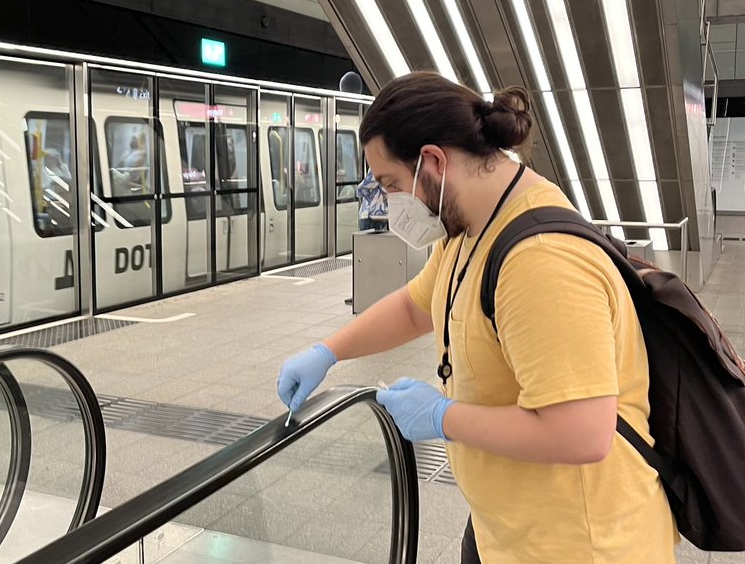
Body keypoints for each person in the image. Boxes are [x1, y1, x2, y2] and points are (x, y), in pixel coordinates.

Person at [276, 73, 675, 563]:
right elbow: (416, 305)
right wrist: (329, 351)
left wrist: (443, 417)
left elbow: (582, 432)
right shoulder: (470, 228)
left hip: (578, 543)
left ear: (434, 162)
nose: (389, 204)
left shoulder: (540, 260)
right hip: (508, 527)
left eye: (391, 185)